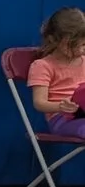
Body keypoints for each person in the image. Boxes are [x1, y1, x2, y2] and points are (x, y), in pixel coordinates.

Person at [29, 7, 85, 135]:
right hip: (61, 118)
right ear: (54, 40)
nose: (80, 50)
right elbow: (39, 103)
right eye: (73, 45)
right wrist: (60, 106)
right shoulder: (43, 66)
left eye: (84, 45)